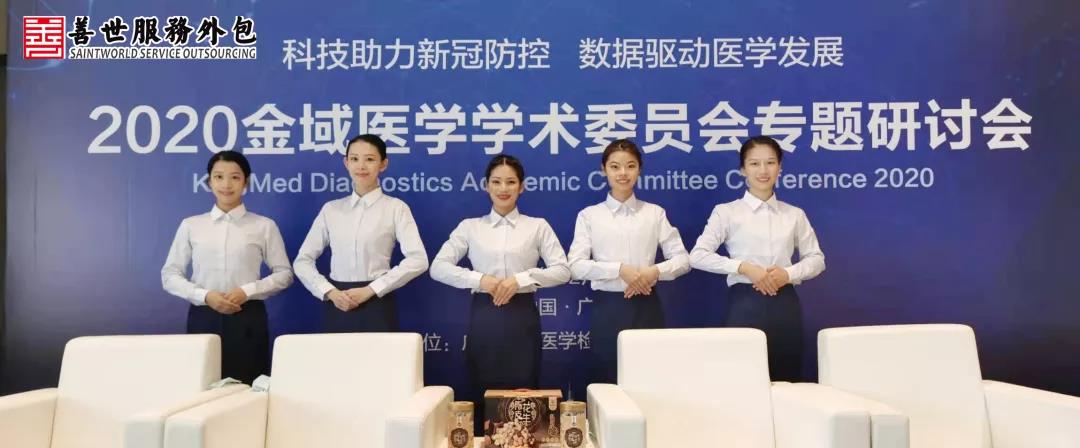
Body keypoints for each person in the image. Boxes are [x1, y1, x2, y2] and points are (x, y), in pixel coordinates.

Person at [429, 154, 570, 431]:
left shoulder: (537, 226)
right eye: (496, 182)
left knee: (523, 388)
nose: (503, 188)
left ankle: (523, 441)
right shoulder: (470, 227)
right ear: (486, 186)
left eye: (510, 182)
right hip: (485, 314)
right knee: (482, 383)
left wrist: (520, 280)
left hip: (522, 314)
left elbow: (563, 270)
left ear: (522, 186)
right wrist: (481, 279)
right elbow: (438, 267)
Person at [689, 135, 825, 382]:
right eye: (754, 164)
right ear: (743, 169)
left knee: (787, 376)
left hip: (784, 301)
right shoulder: (727, 212)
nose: (763, 170)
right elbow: (698, 256)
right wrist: (744, 267)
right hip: (744, 302)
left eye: (770, 163)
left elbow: (816, 259)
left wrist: (788, 274)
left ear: (780, 167)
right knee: (742, 378)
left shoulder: (794, 214)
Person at [162, 150, 293, 384]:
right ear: (209, 182)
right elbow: (170, 275)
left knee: (248, 385)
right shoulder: (192, 225)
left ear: (246, 182)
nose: (226, 184)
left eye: (234, 177)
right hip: (204, 315)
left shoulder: (263, 226)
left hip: (247, 315)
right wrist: (205, 295)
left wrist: (247, 291)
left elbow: (284, 274)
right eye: (219, 177)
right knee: (202, 384)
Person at [566, 139, 689, 384]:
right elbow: (575, 266)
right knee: (608, 378)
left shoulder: (654, 213)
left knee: (650, 378)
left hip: (647, 305)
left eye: (630, 166)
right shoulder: (590, 216)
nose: (623, 173)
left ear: (639, 169)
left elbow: (683, 259)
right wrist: (619, 270)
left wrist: (653, 272)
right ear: (603, 169)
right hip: (608, 308)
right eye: (615, 166)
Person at [293, 134, 428, 332]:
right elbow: (302, 261)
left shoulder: (396, 208)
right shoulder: (331, 209)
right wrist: (329, 291)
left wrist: (371, 289)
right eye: (354, 159)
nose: (361, 166)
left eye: (370, 159)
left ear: (383, 164)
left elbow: (418, 259)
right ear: (346, 163)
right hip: (338, 302)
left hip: (377, 302)